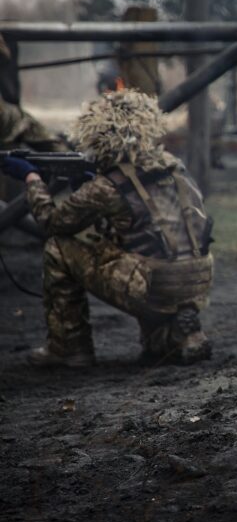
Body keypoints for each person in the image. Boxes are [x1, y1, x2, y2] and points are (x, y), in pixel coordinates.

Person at [0, 90, 214, 367]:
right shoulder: (174, 167)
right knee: (154, 347)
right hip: (197, 280)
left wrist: (31, 178)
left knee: (59, 248)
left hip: (153, 283)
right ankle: (177, 335)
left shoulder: (107, 186)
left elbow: (52, 222)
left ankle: (69, 347)